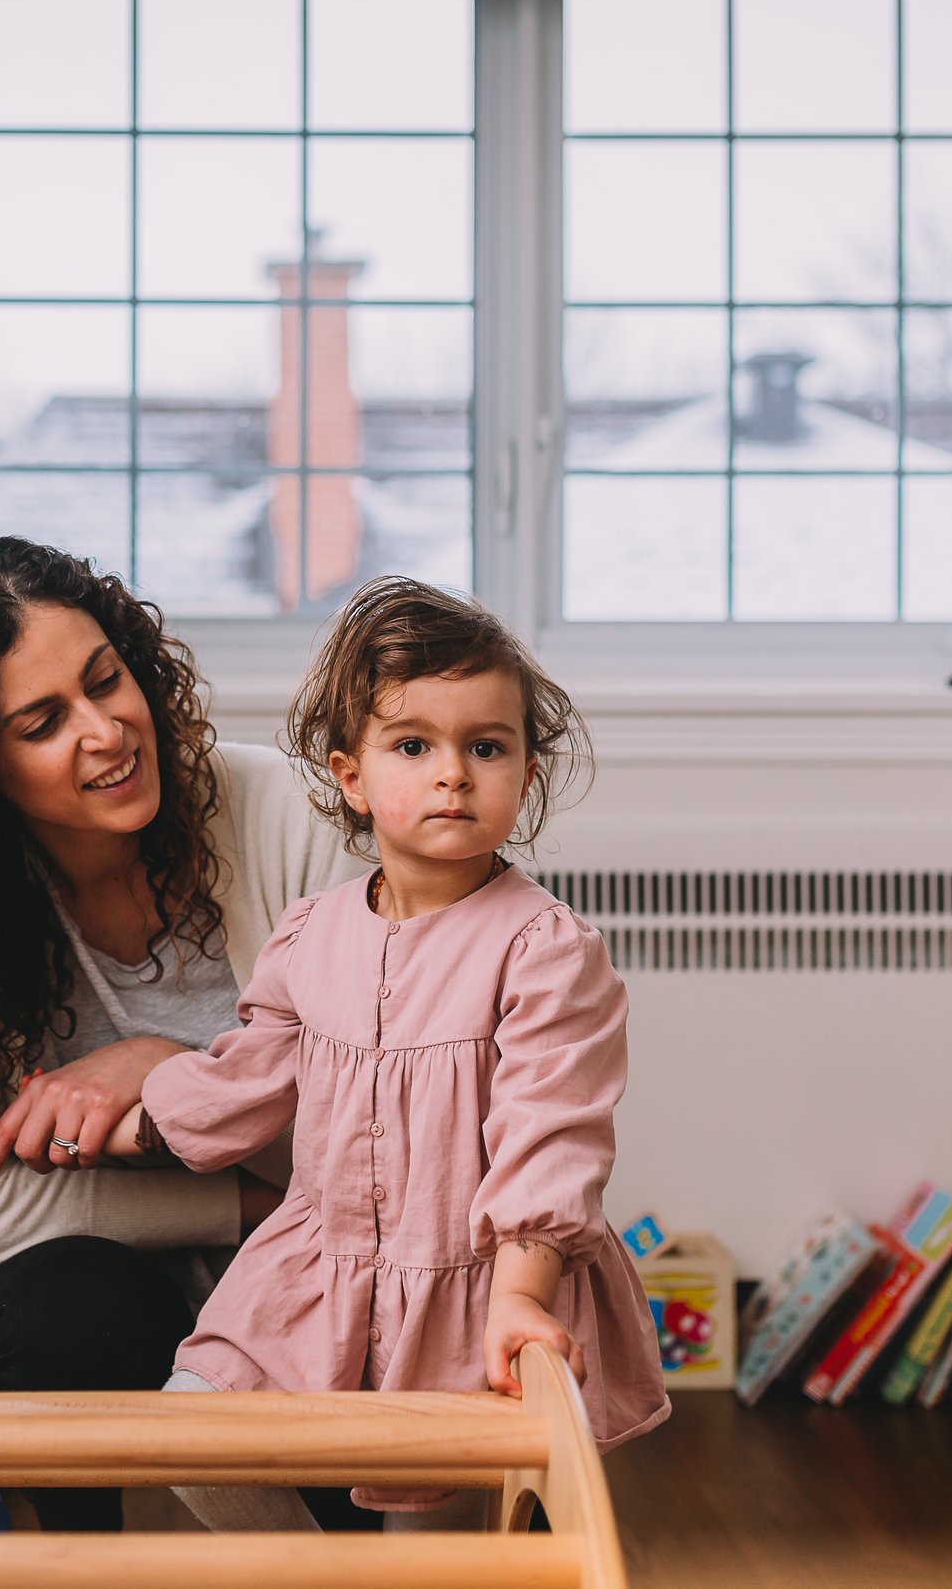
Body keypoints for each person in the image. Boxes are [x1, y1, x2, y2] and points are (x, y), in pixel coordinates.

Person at [89, 576, 670, 1531]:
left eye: (486, 746)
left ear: (524, 772)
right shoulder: (310, 933)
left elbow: (550, 1138)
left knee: (428, 1534)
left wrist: (521, 1298)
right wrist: (127, 1123)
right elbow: (248, 1075)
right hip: (316, 1272)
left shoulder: (545, 948)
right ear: (351, 776)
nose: (454, 773)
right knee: (191, 1429)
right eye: (414, 745)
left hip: (476, 1281)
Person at [0, 537, 359, 1533]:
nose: (107, 729)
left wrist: (168, 1075)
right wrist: (239, 1200)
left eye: (104, 680)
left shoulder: (282, 815)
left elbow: (377, 1116)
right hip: (97, 1291)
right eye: (43, 721)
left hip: (309, 1269)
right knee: (67, 1305)